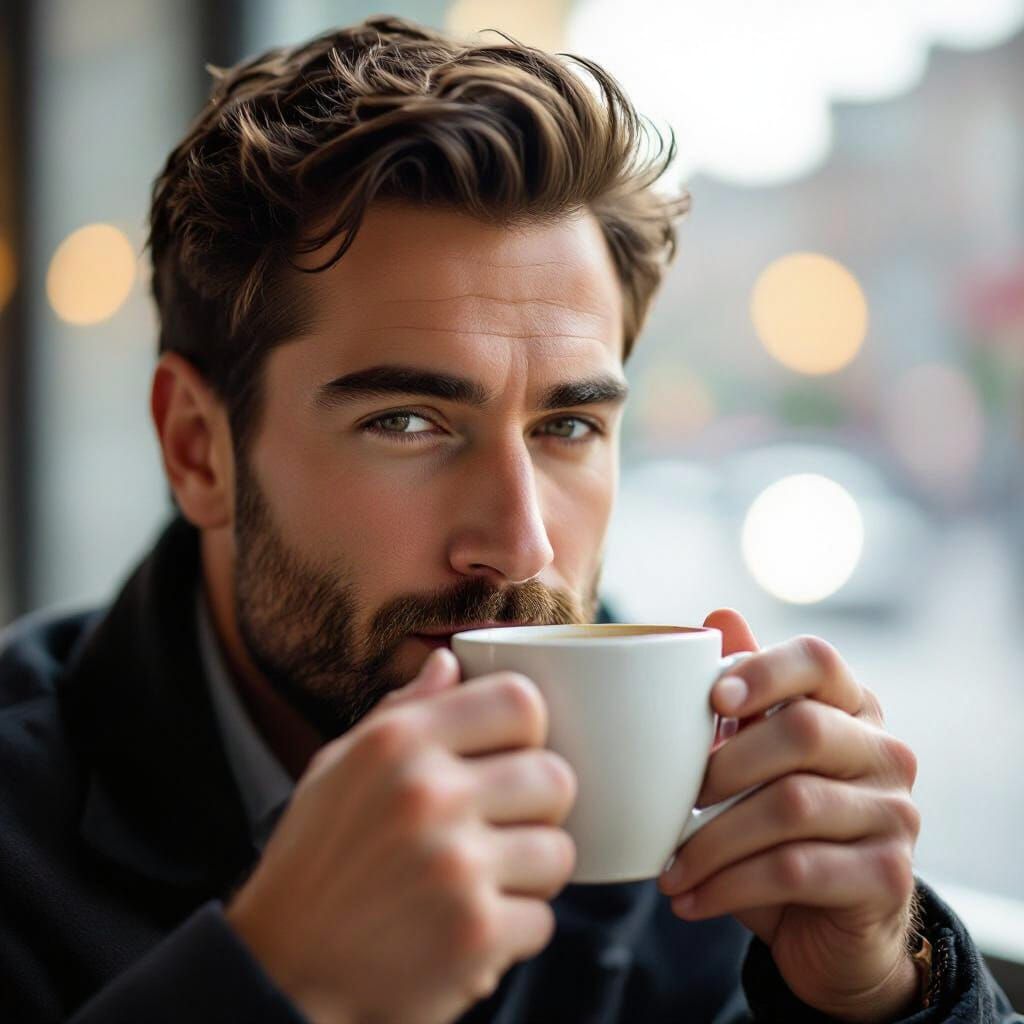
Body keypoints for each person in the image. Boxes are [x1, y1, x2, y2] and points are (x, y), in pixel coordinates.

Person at [0, 14, 1016, 1024]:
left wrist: (885, 990)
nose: (521, 544)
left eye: (567, 426)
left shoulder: (699, 802)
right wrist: (267, 982)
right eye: (407, 422)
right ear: (197, 448)